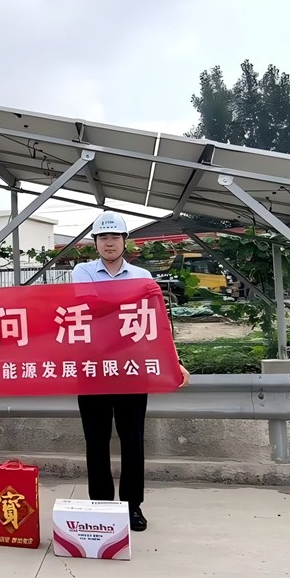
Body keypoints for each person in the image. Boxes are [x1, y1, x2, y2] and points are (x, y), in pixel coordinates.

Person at [72, 211, 191, 532]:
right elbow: (91, 308)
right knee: (95, 439)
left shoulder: (142, 275)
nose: (109, 243)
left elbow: (157, 324)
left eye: (114, 237)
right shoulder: (82, 272)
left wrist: (174, 361)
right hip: (93, 367)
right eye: (103, 237)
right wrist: (133, 297)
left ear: (125, 241)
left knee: (133, 439)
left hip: (131, 367)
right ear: (95, 243)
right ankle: (100, 504)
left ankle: (132, 506)